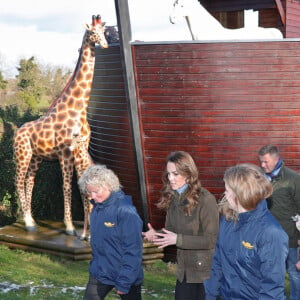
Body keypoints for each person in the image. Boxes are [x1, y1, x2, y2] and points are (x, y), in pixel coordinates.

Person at [142, 151, 219, 300]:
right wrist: (155, 235)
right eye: (169, 173)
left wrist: (178, 239)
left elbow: (211, 240)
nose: (171, 178)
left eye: (176, 174)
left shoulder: (206, 199)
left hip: (205, 273)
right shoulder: (173, 197)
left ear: (188, 173)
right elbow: (171, 232)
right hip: (184, 271)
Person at [205, 163, 288, 300]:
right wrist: (209, 295)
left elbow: (272, 287)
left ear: (241, 194)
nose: (225, 194)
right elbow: (217, 264)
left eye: (228, 190)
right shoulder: (227, 220)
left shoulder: (271, 233)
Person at [78, 164, 143, 300]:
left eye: (96, 191)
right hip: (100, 273)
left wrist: (124, 281)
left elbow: (133, 250)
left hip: (126, 275)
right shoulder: (96, 209)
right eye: (90, 192)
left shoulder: (126, 212)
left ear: (108, 185)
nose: (93, 196)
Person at [258, 145, 300, 300]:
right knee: (271, 275)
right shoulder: (259, 179)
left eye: (266, 162)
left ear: (276, 159)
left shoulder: (293, 179)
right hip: (267, 239)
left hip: (291, 238)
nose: (262, 165)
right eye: (260, 161)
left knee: (294, 275)